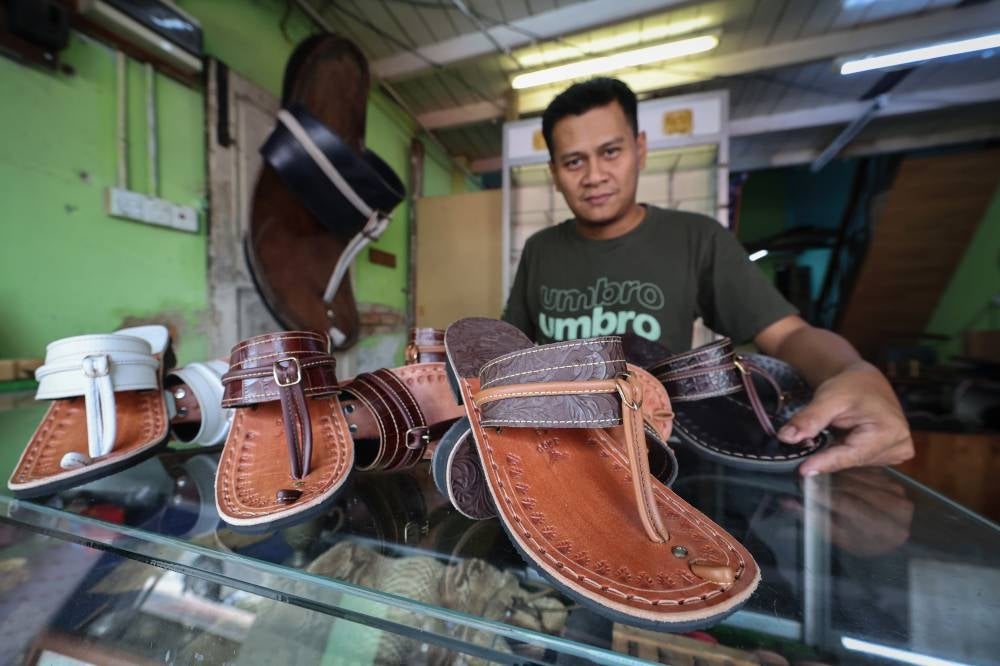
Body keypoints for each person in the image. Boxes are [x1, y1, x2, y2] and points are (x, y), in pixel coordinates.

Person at [502, 77, 913, 477]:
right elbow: (506, 355)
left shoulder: (696, 238)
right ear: (554, 172)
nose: (594, 175)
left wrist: (851, 370)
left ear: (640, 149)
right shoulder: (541, 249)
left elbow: (787, 335)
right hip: (558, 456)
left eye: (610, 152)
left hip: (656, 455)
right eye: (574, 161)